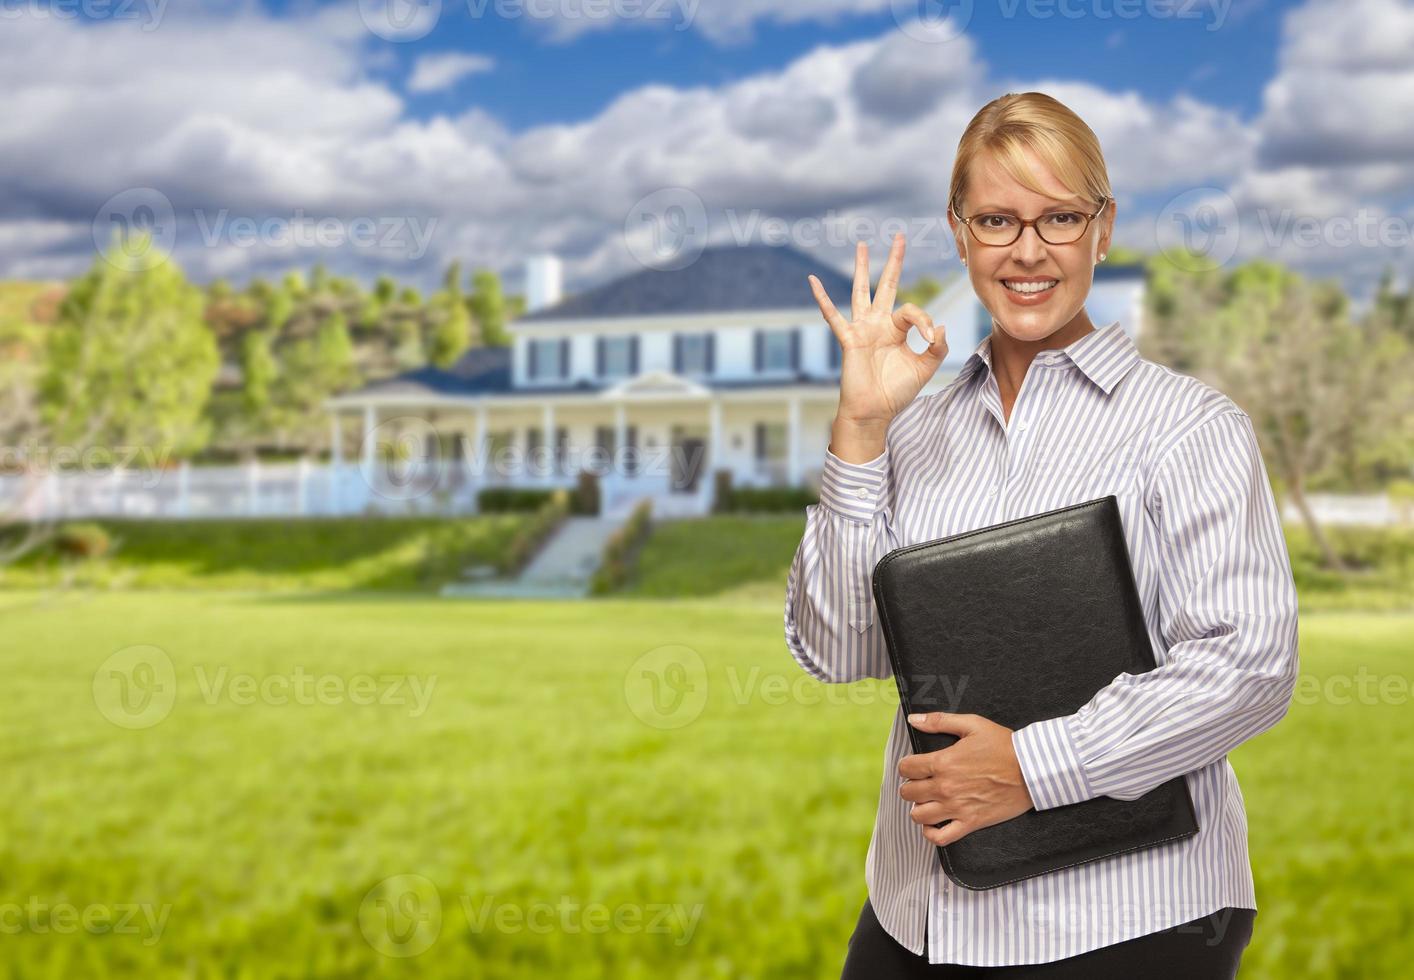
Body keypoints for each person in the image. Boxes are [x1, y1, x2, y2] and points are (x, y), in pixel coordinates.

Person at [783, 91, 1299, 978]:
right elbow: (839, 648)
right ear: (960, 231)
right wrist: (861, 429)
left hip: (1128, 924)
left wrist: (1035, 765)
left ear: (1103, 229)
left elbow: (1249, 665)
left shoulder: (1190, 427)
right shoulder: (912, 432)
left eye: (1060, 217)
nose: (1028, 250)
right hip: (918, 919)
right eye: (997, 219)